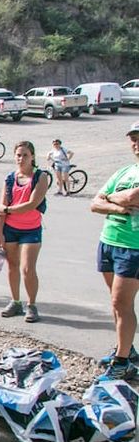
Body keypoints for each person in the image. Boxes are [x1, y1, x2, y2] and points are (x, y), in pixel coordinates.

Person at [89, 121, 139, 381]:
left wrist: (113, 198)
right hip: (109, 240)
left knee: (122, 302)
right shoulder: (124, 172)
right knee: (116, 303)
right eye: (134, 139)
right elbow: (95, 203)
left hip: (134, 246)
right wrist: (117, 205)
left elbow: (134, 198)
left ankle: (122, 362)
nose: (136, 144)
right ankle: (127, 349)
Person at [0, 141, 49, 323]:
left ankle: (31, 305)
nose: (21, 158)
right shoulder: (10, 178)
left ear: (32, 156)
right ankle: (15, 301)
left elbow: (32, 204)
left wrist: (8, 210)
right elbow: (1, 207)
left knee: (27, 268)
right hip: (10, 229)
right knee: (12, 266)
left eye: (25, 155)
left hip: (31, 229)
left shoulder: (40, 177)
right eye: (18, 155)